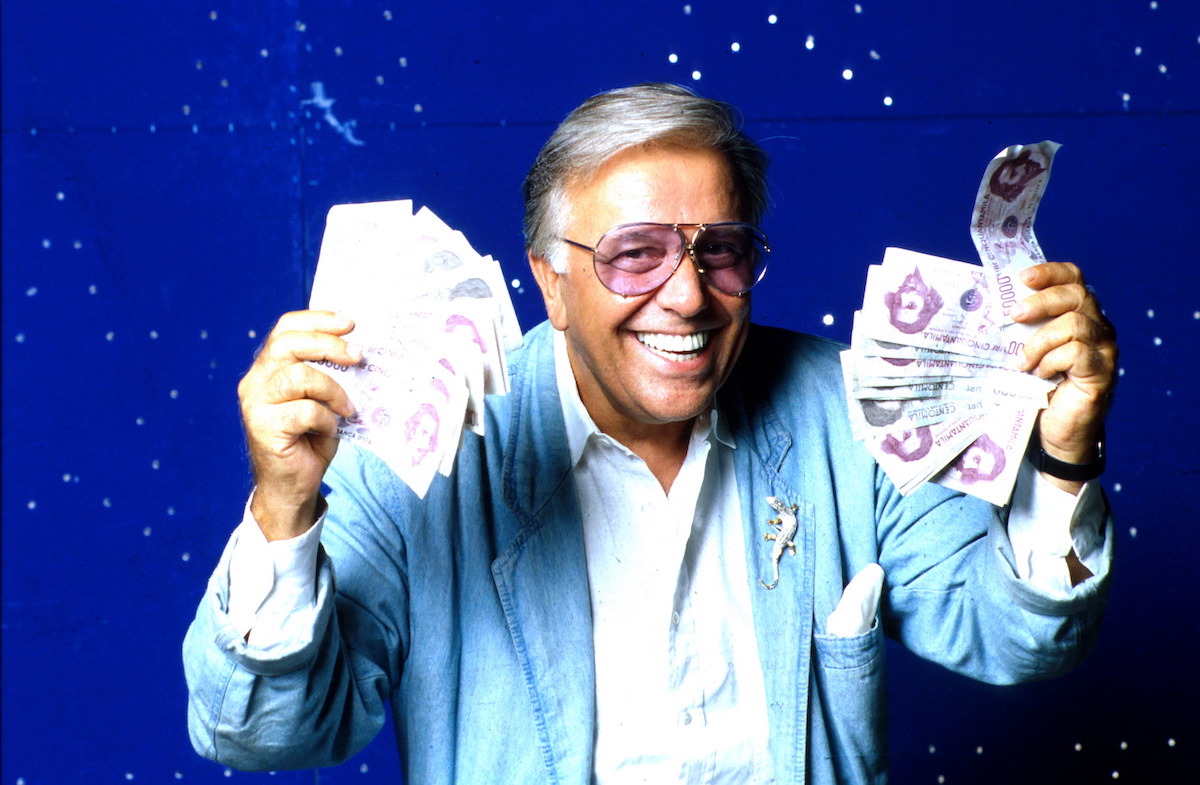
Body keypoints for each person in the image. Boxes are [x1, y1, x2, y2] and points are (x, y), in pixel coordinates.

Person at [184, 83, 1117, 784]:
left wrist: (1063, 453)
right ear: (549, 283)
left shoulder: (847, 410)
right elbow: (261, 731)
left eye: (721, 251)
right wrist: (283, 509)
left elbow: (1015, 636)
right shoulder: (430, 447)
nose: (686, 295)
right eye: (635, 254)